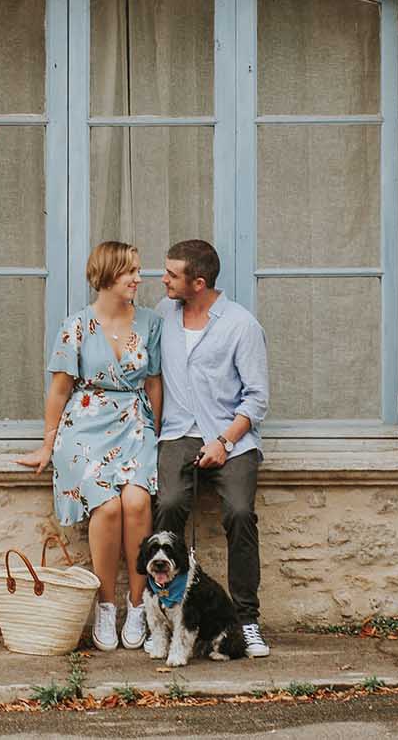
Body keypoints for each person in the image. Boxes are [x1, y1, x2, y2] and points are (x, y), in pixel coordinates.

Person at [15, 241, 164, 651]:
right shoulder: (76, 326)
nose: (138, 278)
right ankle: (105, 604)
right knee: (108, 506)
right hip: (84, 424)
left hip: (134, 423)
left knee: (136, 502)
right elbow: (59, 391)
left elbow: (153, 384)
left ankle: (138, 604)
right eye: (129, 271)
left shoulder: (151, 324)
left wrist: (159, 434)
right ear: (107, 276)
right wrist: (48, 445)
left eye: (138, 269)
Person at [153, 238, 272, 658]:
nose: (163, 279)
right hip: (177, 432)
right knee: (167, 504)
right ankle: (161, 615)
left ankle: (246, 620)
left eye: (171, 274)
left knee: (240, 514)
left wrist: (224, 441)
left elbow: (257, 399)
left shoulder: (241, 325)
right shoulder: (164, 315)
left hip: (231, 436)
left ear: (198, 282)